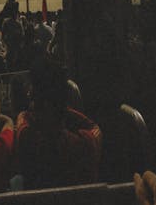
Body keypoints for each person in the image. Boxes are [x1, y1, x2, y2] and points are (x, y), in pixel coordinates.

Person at [16, 58, 102, 188]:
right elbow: (94, 128)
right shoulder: (85, 143)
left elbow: (23, 118)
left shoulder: (28, 136)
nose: (28, 93)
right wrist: (61, 108)